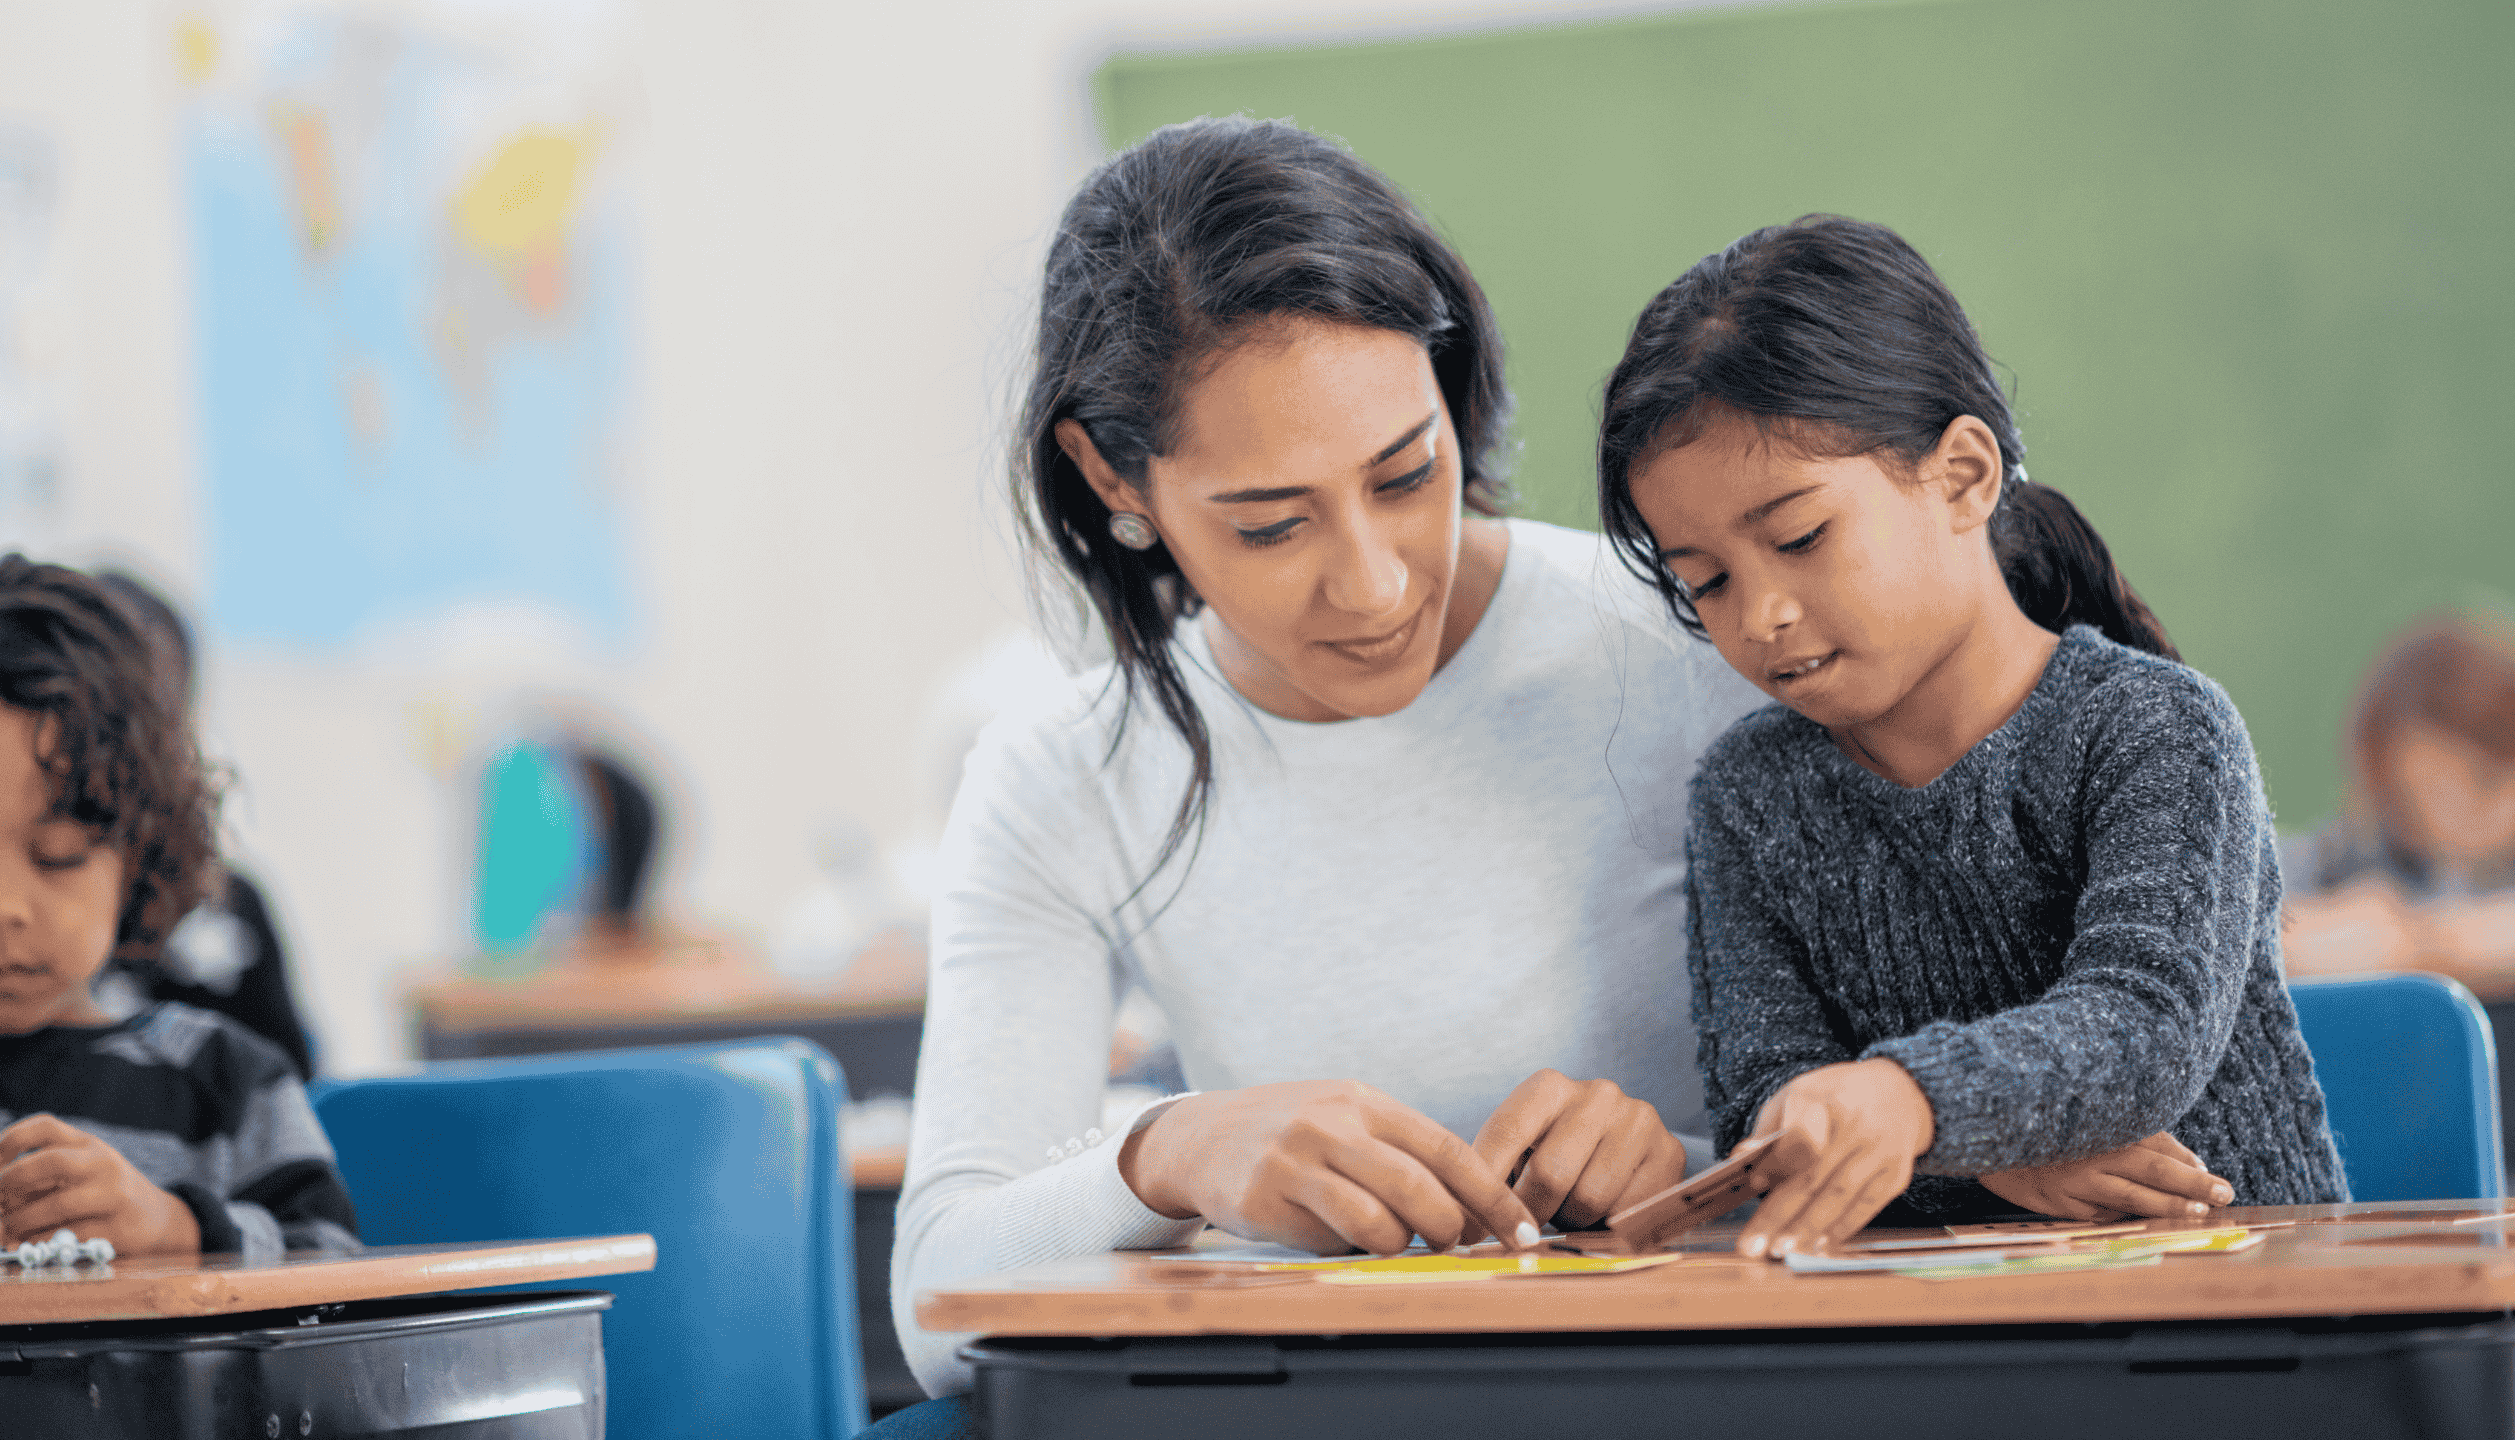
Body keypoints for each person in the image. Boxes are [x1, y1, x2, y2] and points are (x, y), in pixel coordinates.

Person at [878, 117, 1760, 1432]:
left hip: (1689, 1378)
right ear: (1114, 476)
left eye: (1407, 473)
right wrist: (1170, 1157)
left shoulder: (1693, 649)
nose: (1374, 579)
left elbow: (1930, 1127)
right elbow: (938, 1312)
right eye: (1272, 522)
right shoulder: (1065, 773)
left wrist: (1696, 1174)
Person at [1595, 215, 2346, 1261]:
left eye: (1800, 537)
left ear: (1961, 476)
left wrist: (1913, 1112)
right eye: (1706, 581)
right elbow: (1768, 1110)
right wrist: (1990, 1162)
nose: (1758, 614)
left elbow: (2143, 1026)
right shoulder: (1748, 796)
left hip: (2241, 1311)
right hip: (1943, 1333)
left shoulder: (2158, 727)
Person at [0, 556, 358, 1259]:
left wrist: (182, 1230)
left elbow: (335, 1267)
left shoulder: (224, 1085)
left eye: (58, 854)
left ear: (138, 853)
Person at [92, 569, 319, 1080]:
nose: (130, 746)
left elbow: (297, 1096)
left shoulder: (232, 907)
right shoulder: (11, 919)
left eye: (159, 711)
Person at [2281, 612, 2515, 984]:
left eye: (2484, 779)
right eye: (2428, 790)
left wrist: (2412, 939)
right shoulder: (2349, 858)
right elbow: (2257, 929)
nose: (2454, 812)